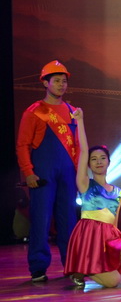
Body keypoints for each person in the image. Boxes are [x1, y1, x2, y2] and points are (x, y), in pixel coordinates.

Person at [15, 60, 80, 282]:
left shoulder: (73, 112)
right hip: (43, 173)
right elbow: (22, 145)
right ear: (45, 83)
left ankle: (71, 265)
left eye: (64, 81)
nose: (62, 85)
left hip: (68, 174)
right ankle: (38, 267)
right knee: (41, 220)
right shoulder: (34, 112)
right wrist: (28, 172)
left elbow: (78, 145)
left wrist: (81, 173)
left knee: (68, 221)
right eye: (57, 81)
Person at [64, 108, 121, 288]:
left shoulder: (118, 193)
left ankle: (87, 268)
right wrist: (80, 121)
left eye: (102, 158)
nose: (98, 161)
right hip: (88, 237)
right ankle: (83, 267)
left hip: (108, 239)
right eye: (94, 159)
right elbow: (83, 151)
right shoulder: (85, 184)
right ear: (89, 164)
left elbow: (115, 224)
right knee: (114, 282)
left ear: (108, 162)